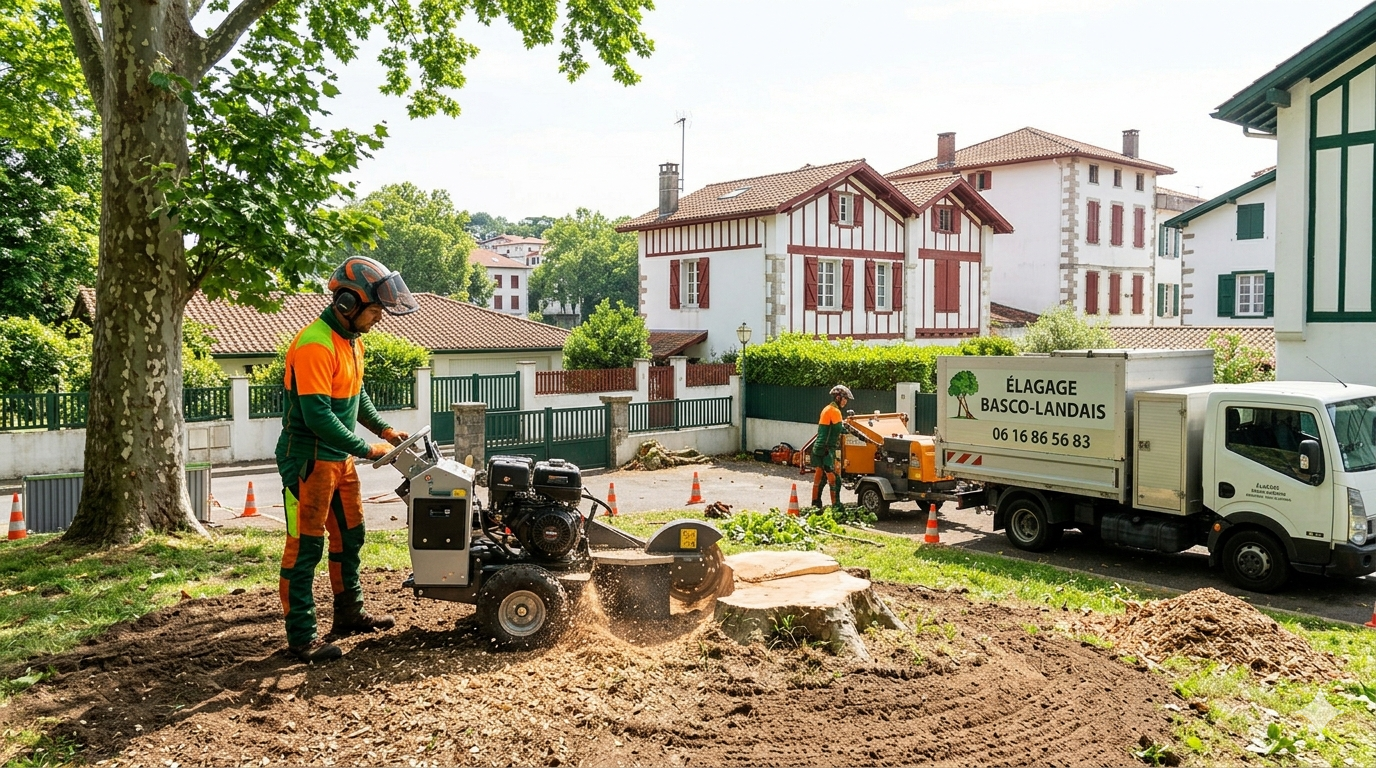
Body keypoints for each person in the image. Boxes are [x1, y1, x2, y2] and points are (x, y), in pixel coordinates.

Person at [276, 255, 420, 662]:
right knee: (305, 547)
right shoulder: (314, 345)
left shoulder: (350, 342)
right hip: (307, 460)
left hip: (339, 460)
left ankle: (349, 614)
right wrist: (366, 448)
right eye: (375, 310)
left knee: (350, 536)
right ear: (347, 304)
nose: (378, 318)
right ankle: (301, 638)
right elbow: (317, 415)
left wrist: (384, 431)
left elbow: (355, 397)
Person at [810, 385, 853, 509]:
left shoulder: (826, 409)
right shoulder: (835, 411)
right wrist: (853, 431)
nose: (846, 401)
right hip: (827, 449)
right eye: (845, 398)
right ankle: (836, 507)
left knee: (820, 478)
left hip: (818, 448)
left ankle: (815, 506)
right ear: (838, 397)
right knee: (835, 479)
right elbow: (839, 429)